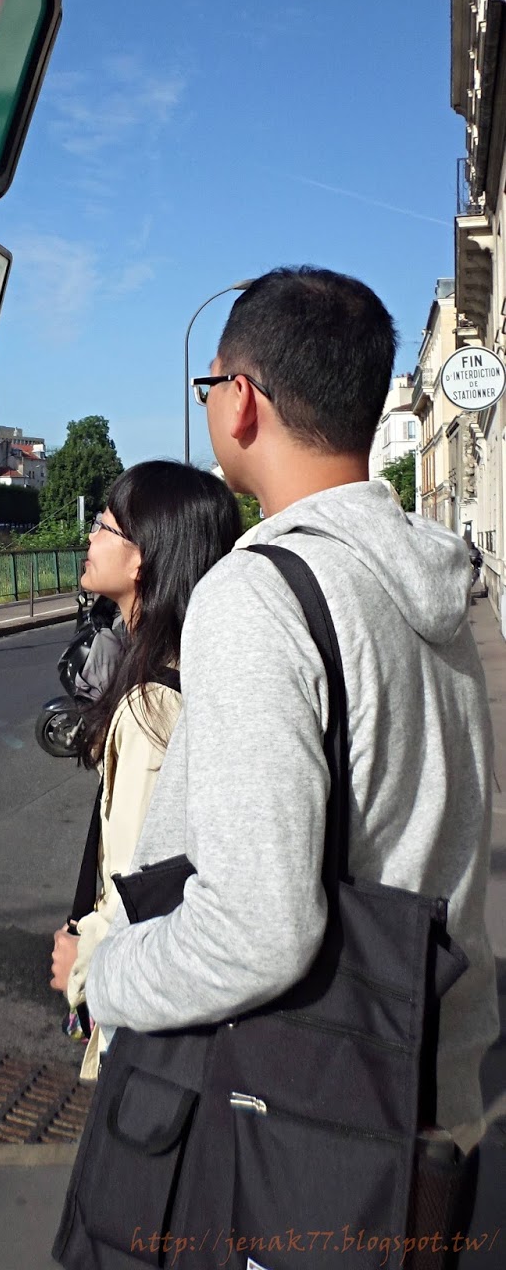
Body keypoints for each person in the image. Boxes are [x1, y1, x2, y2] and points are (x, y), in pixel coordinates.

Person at [85, 270, 498, 1179]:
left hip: (302, 1129)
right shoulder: (431, 584)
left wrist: (103, 971)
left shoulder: (259, 594)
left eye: (209, 385)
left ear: (240, 400)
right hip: (424, 1089)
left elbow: (257, 930)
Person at [49, 460, 242, 1079]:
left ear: (141, 560)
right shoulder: (198, 668)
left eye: (104, 525)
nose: (90, 535)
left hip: (137, 1010)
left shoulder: (149, 707)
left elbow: (139, 881)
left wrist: (84, 962)